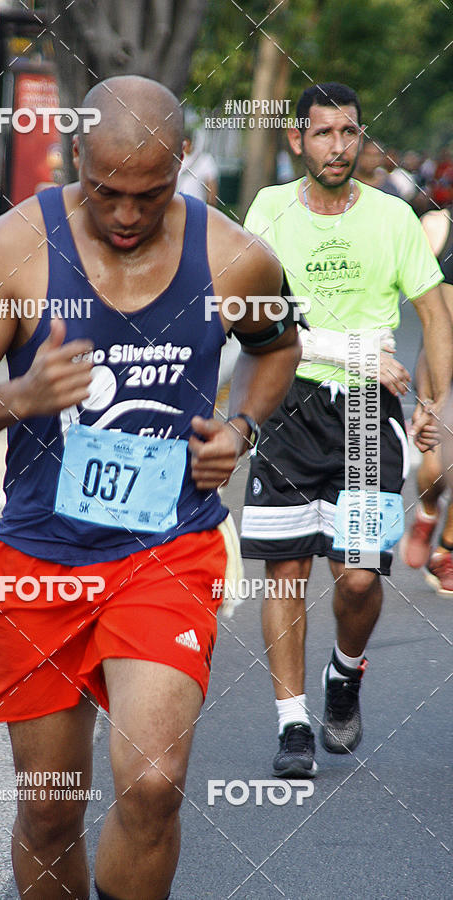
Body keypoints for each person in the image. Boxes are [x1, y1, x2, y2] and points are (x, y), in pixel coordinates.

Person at [0, 75, 301, 900]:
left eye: (150, 192)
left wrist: (240, 428)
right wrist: (22, 395)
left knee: (152, 782)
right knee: (49, 811)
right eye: (107, 191)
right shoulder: (15, 248)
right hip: (40, 559)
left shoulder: (234, 256)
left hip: (168, 551)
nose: (129, 214)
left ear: (183, 162)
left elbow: (278, 344)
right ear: (77, 156)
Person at [240, 82, 453, 779]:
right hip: (289, 405)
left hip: (366, 415)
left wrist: (431, 403)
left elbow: (434, 312)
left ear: (361, 139)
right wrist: (354, 349)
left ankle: (345, 669)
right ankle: (292, 722)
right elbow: (252, 314)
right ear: (298, 140)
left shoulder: (393, 216)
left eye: (349, 132)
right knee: (285, 573)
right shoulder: (269, 211)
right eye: (323, 132)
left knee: (358, 579)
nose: (338, 146)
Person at [401, 206, 453, 593]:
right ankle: (428, 508)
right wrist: (429, 393)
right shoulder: (437, 227)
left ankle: (446, 550)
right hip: (442, 365)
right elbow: (430, 318)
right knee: (435, 469)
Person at [176, 125, 219, 205]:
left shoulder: (205, 160)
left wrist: (211, 206)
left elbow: (211, 187)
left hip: (197, 205)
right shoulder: (175, 159)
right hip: (179, 206)